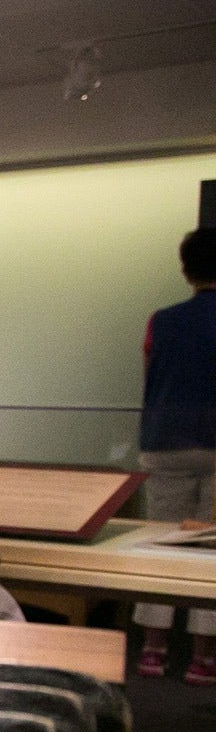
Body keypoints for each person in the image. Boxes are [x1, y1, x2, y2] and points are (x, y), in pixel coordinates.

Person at [133, 228, 216, 683]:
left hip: (165, 441)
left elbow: (151, 380)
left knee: (161, 544)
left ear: (186, 270)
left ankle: (153, 649)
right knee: (213, 550)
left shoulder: (160, 321)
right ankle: (204, 657)